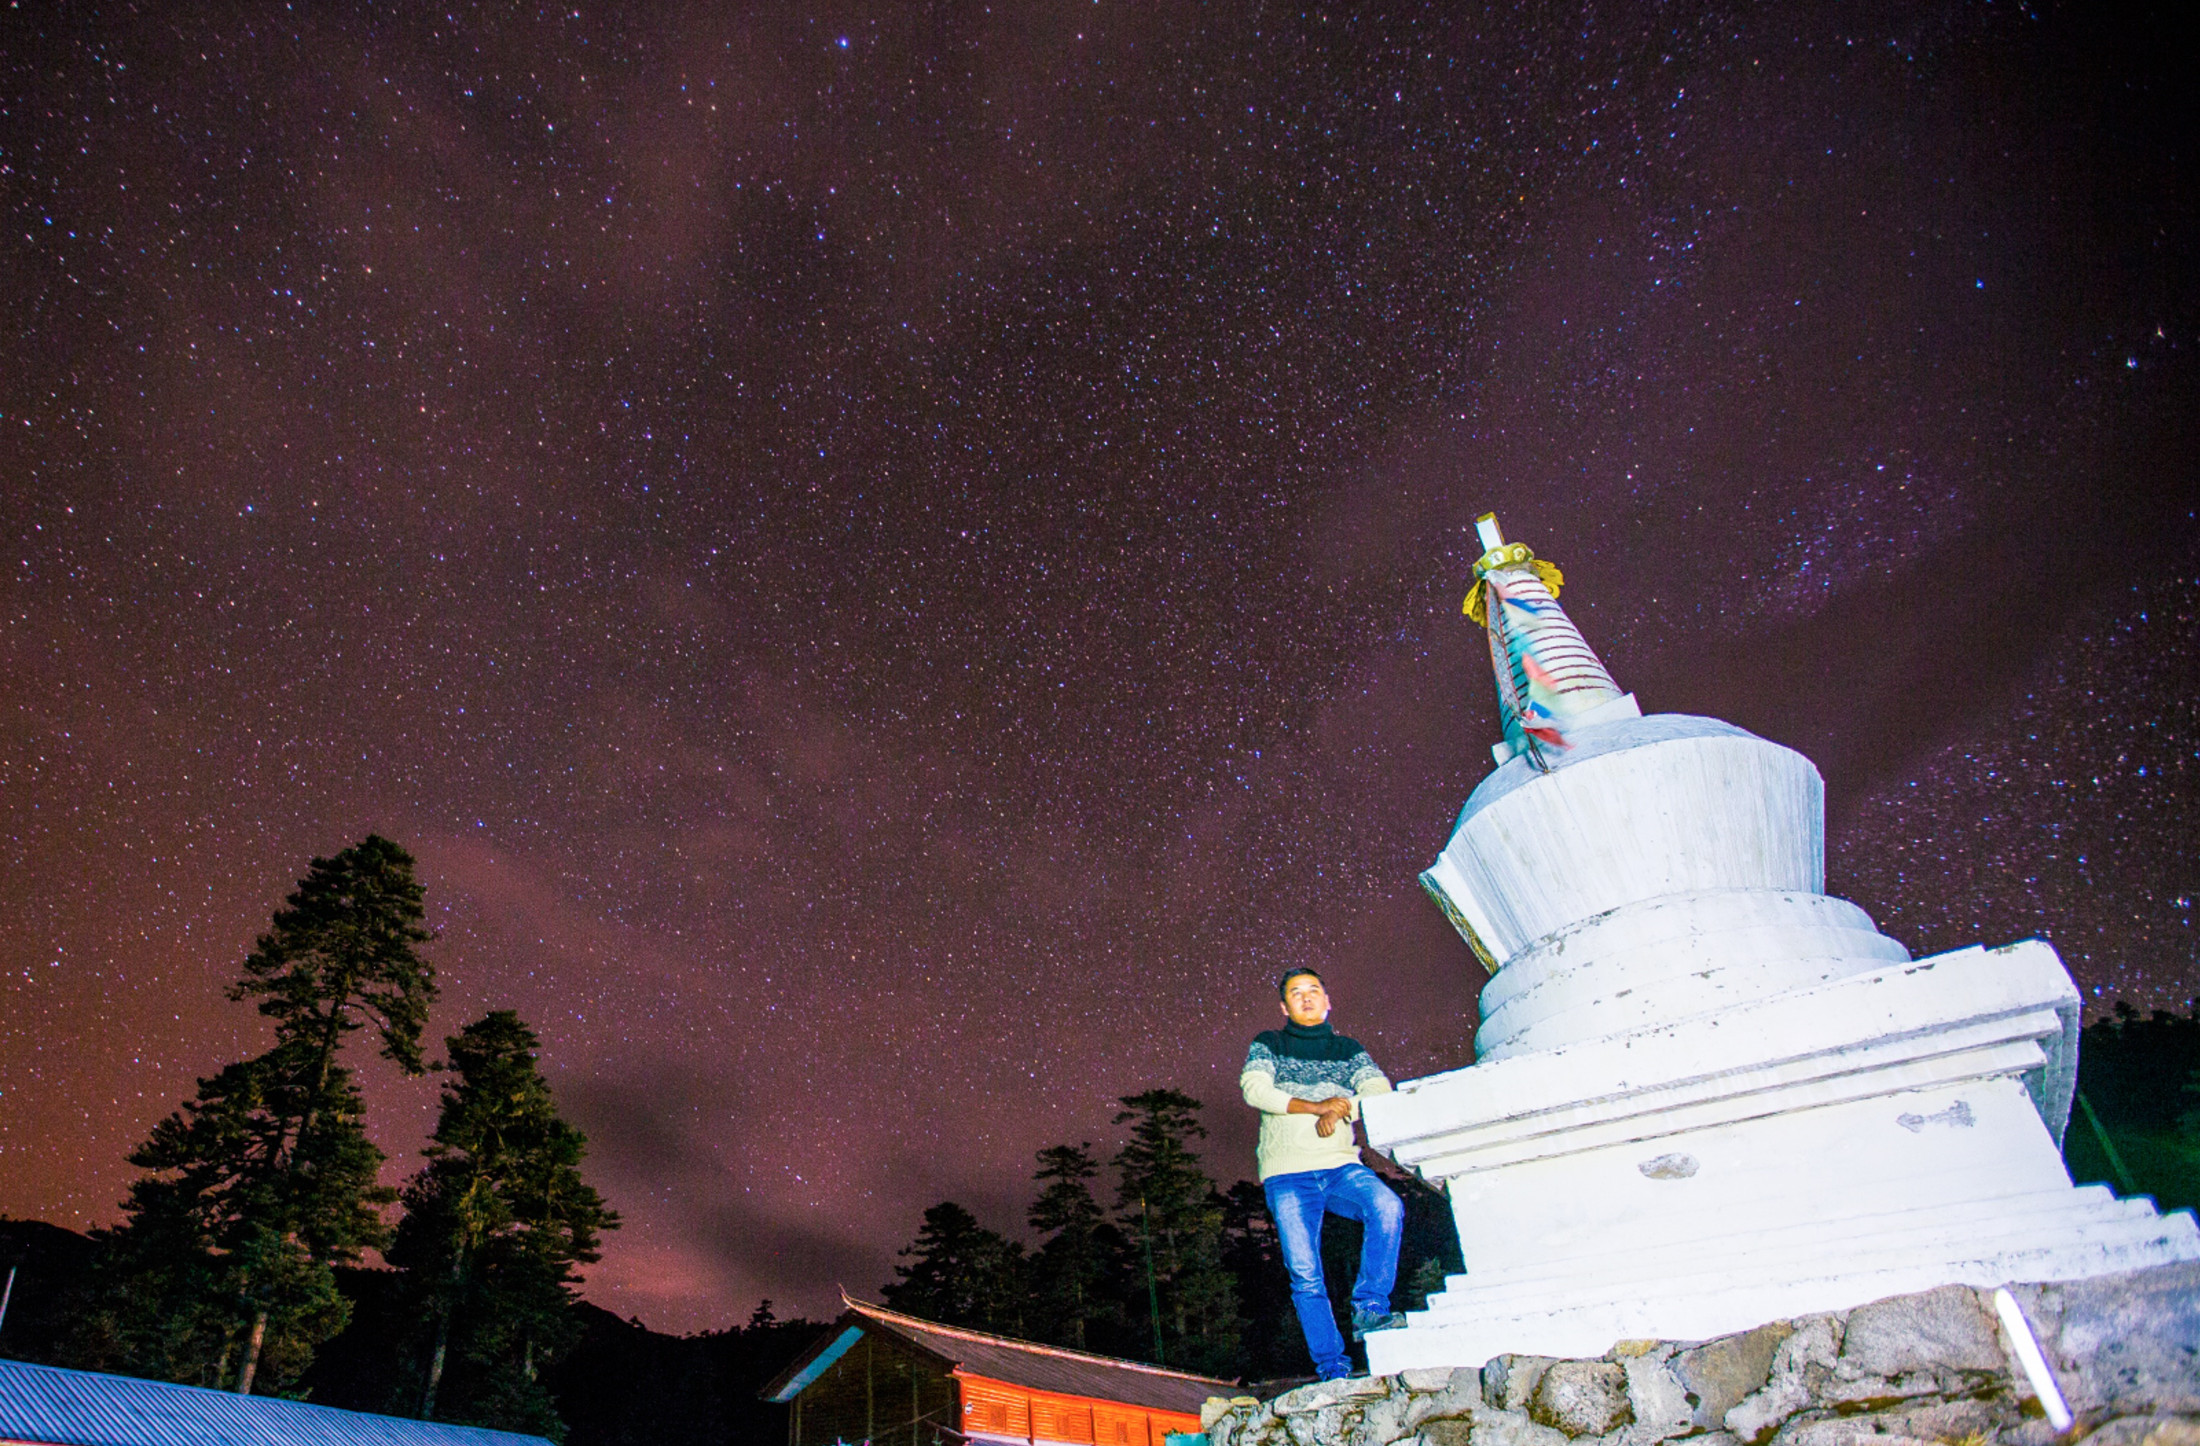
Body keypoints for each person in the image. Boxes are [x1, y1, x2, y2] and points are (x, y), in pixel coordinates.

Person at [1240, 968, 1406, 1380]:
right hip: (1288, 1174)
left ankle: (1370, 1306)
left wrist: (1340, 1108)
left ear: (1328, 1001)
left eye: (1314, 990)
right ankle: (1333, 1367)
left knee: (1386, 1207)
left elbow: (1379, 1090)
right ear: (1284, 1007)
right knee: (1305, 1273)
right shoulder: (1269, 1043)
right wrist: (1316, 1107)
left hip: (1341, 1166)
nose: (1306, 997)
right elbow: (1255, 1090)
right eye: (1296, 993)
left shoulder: (1347, 1049)